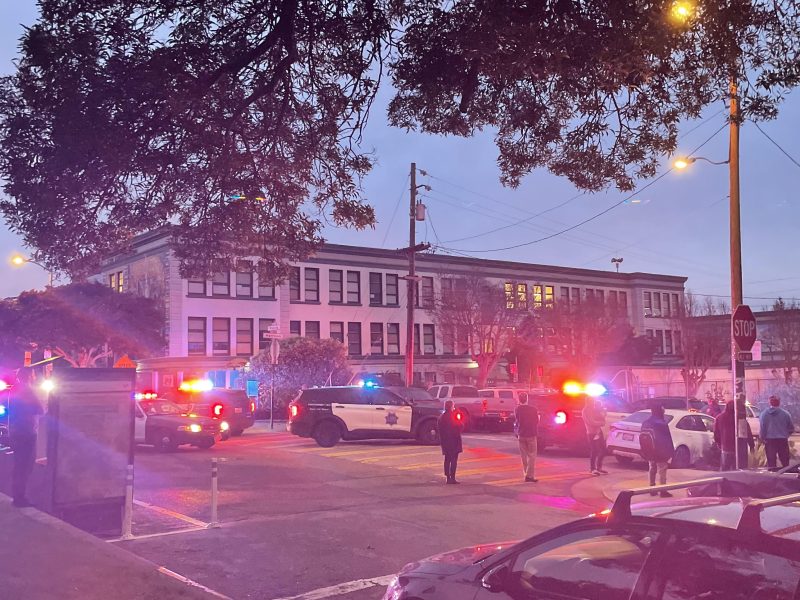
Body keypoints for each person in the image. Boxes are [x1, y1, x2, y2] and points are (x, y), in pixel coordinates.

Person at [9, 368, 44, 508]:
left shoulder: (14, 389)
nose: (35, 376)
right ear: (29, 376)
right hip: (27, 431)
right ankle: (20, 498)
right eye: (33, 374)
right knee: (25, 465)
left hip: (17, 430)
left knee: (19, 465)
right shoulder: (27, 390)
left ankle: (17, 495)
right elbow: (40, 409)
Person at [641, 405, 675, 497]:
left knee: (652, 468)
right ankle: (663, 491)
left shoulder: (646, 422)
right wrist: (670, 451)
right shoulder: (661, 423)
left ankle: (652, 489)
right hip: (660, 451)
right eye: (662, 409)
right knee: (662, 470)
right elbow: (666, 438)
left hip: (649, 451)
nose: (664, 411)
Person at [714, 400, 754, 471]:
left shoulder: (719, 418)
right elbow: (747, 431)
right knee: (737, 470)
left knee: (724, 469)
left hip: (726, 447)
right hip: (739, 448)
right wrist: (751, 445)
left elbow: (716, 434)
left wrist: (719, 444)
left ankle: (723, 481)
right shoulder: (740, 418)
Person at [759, 395, 795, 470]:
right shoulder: (786, 414)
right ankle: (786, 477)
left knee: (771, 462)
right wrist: (786, 435)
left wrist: (762, 438)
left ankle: (772, 478)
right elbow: (791, 428)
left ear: (769, 402)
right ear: (779, 402)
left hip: (770, 440)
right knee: (785, 461)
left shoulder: (764, 414)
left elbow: (762, 429)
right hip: (782, 440)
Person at [514, 394, 539, 483]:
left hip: (521, 433)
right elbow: (537, 421)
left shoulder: (517, 409)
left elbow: (517, 420)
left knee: (523, 456)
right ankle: (529, 476)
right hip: (531, 434)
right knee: (532, 455)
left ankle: (527, 474)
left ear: (519, 400)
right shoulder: (533, 409)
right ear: (527, 399)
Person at [438, 400, 463, 484]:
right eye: (453, 406)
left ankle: (448, 477)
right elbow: (459, 427)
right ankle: (452, 477)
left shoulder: (442, 417)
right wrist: (459, 418)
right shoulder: (452, 416)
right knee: (453, 460)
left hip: (445, 441)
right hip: (453, 441)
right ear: (451, 406)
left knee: (447, 459)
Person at [582, 398, 607, 475]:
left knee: (603, 449)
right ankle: (592, 469)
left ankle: (599, 467)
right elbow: (591, 422)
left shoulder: (594, 409)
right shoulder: (586, 411)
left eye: (593, 402)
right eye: (591, 401)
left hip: (598, 432)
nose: (593, 403)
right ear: (587, 402)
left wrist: (602, 413)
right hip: (592, 433)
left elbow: (601, 417)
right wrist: (601, 423)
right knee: (594, 450)